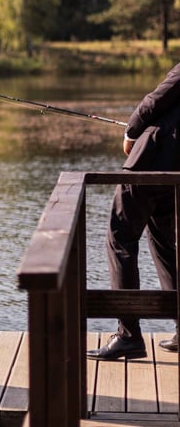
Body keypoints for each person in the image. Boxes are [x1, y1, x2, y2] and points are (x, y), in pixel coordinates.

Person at [87, 63, 180, 360]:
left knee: (120, 237)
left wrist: (131, 132)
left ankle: (128, 336)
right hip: (175, 167)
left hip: (154, 158)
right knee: (163, 241)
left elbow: (156, 100)